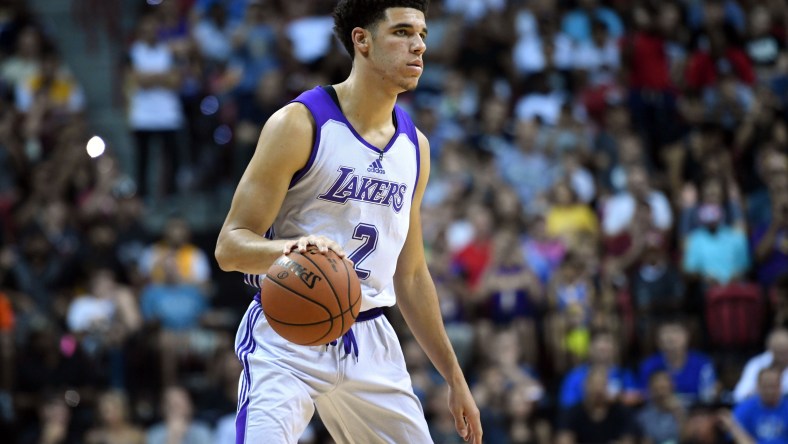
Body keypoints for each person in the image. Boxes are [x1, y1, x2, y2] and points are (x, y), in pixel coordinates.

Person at [213, 1, 482, 443]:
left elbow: (411, 275)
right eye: (401, 33)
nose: (418, 46)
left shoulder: (416, 147)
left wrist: (455, 377)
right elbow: (229, 247)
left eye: (423, 35)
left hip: (371, 336)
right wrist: (292, 251)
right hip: (288, 330)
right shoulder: (299, 123)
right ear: (362, 40)